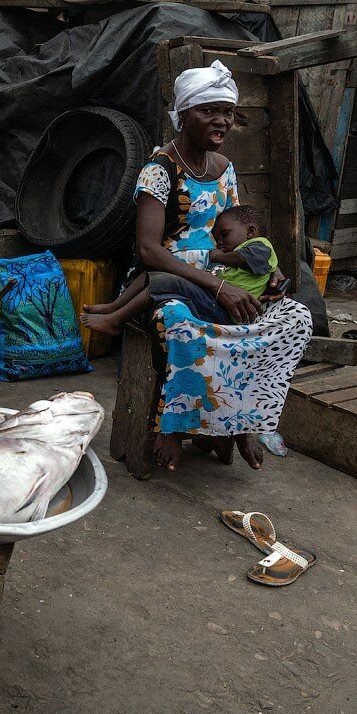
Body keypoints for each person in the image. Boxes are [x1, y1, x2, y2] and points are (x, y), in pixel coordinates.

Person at [99, 60, 312, 472]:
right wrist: (218, 288)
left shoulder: (225, 168)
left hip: (220, 274)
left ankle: (241, 421)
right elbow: (148, 249)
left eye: (227, 112)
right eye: (208, 111)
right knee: (180, 322)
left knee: (292, 318)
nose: (221, 121)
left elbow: (239, 232)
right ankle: (172, 426)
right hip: (164, 277)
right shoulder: (159, 171)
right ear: (183, 114)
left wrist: (270, 275)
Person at [81, 204, 276, 334]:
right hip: (214, 299)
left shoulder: (261, 245)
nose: (220, 243)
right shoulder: (241, 248)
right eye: (217, 240)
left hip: (227, 311)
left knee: (166, 282)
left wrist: (216, 255)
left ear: (251, 232)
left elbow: (244, 258)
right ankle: (114, 306)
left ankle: (116, 321)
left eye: (225, 235)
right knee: (152, 275)